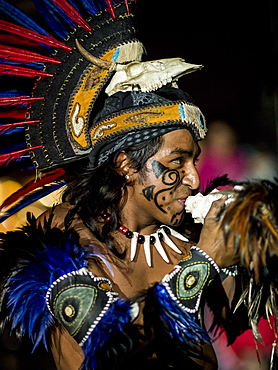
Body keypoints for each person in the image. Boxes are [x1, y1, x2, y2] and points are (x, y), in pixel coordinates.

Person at [0, 1, 275, 369]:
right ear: (126, 165)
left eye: (194, 161)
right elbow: (120, 352)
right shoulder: (63, 238)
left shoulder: (185, 237)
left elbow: (241, 320)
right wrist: (204, 263)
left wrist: (255, 238)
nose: (194, 179)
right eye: (177, 162)